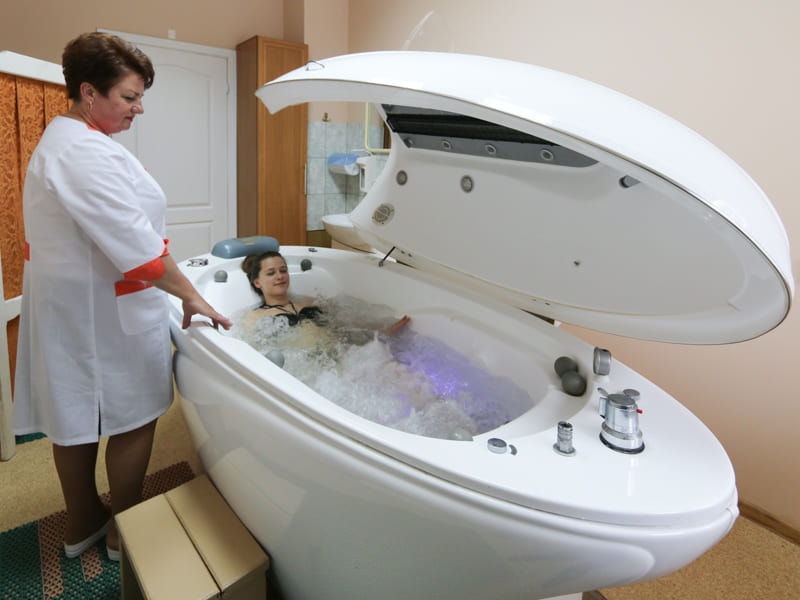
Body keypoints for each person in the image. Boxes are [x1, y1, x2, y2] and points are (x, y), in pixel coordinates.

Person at [12, 32, 232, 562]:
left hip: (78, 304)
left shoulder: (68, 139)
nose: (139, 108)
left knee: (75, 417)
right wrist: (192, 297)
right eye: (129, 97)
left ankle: (84, 519)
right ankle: (123, 528)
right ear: (89, 92)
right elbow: (139, 250)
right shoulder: (83, 152)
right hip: (105, 310)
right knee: (136, 412)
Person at [239, 251, 411, 335]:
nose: (280, 276)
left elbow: (346, 322)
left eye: (283, 270)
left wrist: (382, 330)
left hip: (341, 354)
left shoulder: (307, 302)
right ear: (257, 282)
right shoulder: (254, 317)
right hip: (311, 366)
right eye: (271, 273)